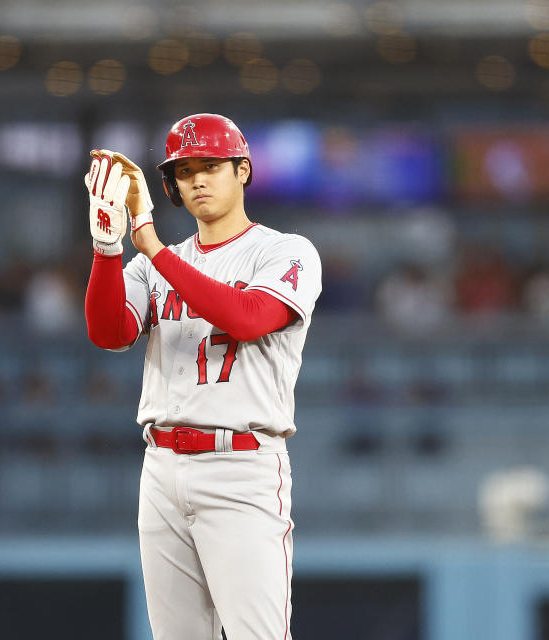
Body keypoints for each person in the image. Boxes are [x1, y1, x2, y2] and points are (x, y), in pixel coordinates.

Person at [83, 113, 322, 640]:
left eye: (211, 165)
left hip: (242, 467)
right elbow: (109, 332)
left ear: (243, 171)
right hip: (162, 465)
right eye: (184, 169)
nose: (197, 179)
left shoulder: (285, 251)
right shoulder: (152, 264)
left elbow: (247, 318)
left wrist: (149, 243)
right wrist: (107, 251)